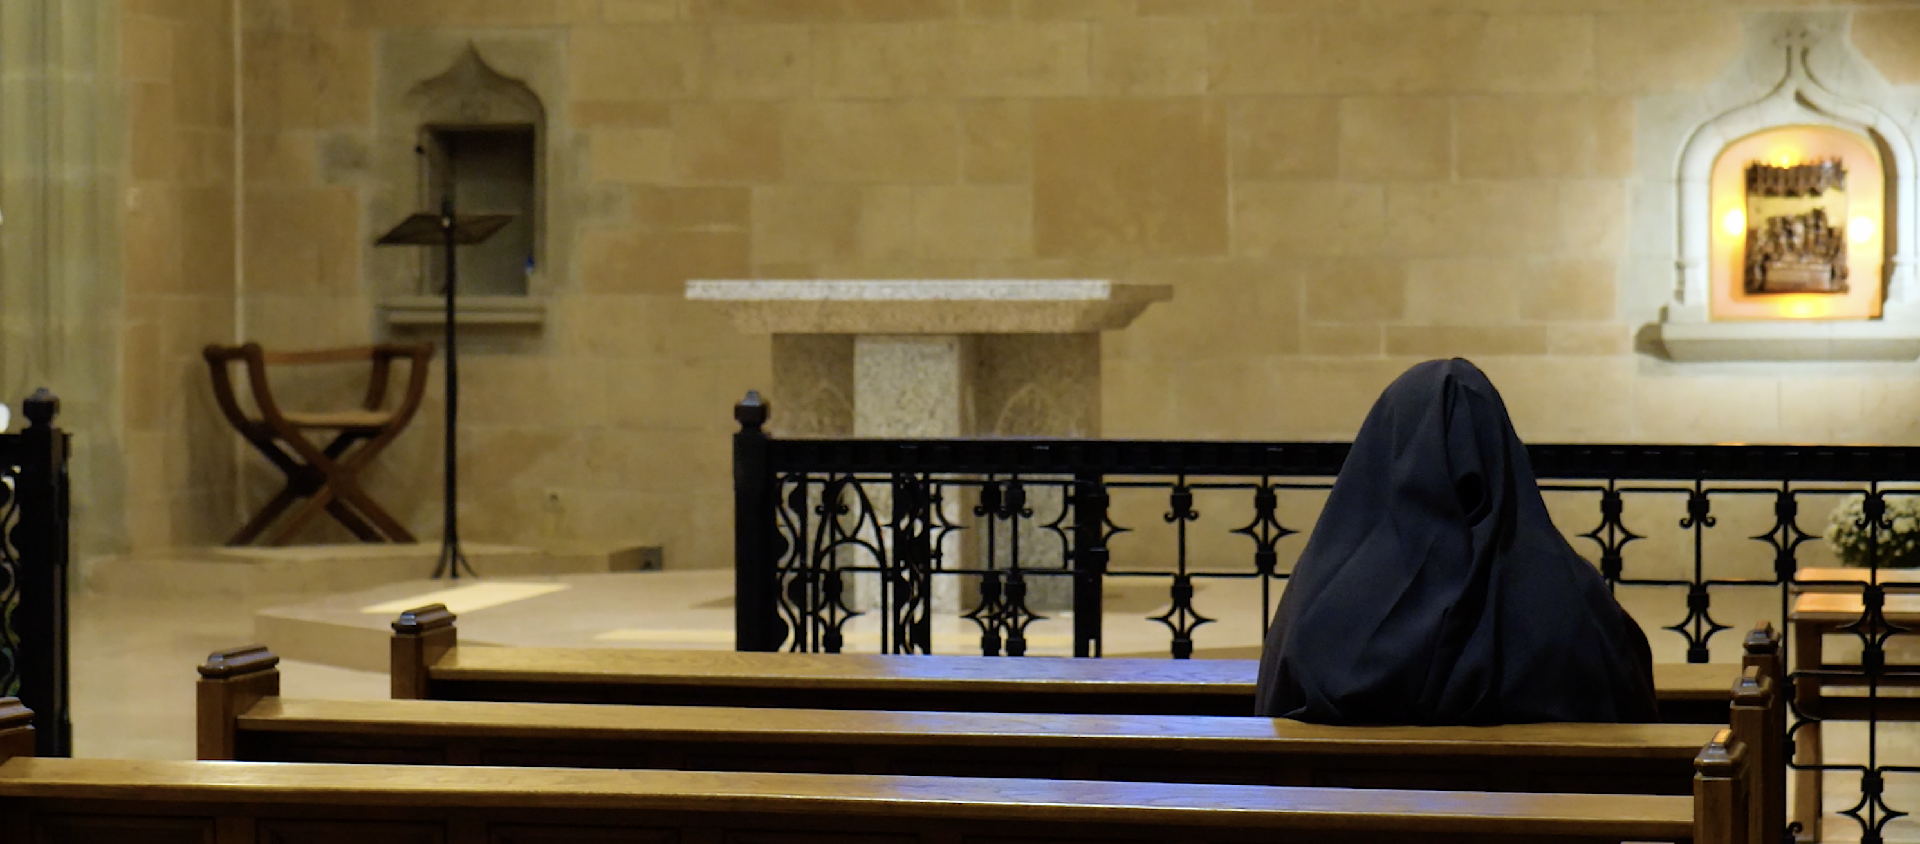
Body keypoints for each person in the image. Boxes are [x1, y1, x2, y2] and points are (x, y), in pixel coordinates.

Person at [1254, 359, 1659, 724]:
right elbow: (1632, 712)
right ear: (1501, 451)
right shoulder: (1576, 602)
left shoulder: (1319, 602)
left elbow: (1274, 718)